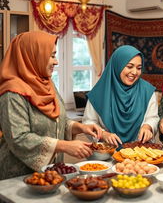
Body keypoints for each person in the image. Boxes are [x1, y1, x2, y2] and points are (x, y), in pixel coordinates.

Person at [0, 31, 102, 180]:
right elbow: (18, 138)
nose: (57, 62)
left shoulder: (48, 84)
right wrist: (63, 146)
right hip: (18, 178)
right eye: (52, 55)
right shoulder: (12, 93)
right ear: (33, 55)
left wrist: (79, 127)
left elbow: (59, 121)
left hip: (50, 176)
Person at [83, 45, 160, 146]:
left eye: (139, 68)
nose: (134, 72)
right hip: (108, 153)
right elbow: (88, 123)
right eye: (129, 66)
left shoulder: (147, 90)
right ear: (117, 65)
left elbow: (153, 117)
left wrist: (147, 126)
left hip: (140, 152)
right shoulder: (99, 93)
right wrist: (103, 134)